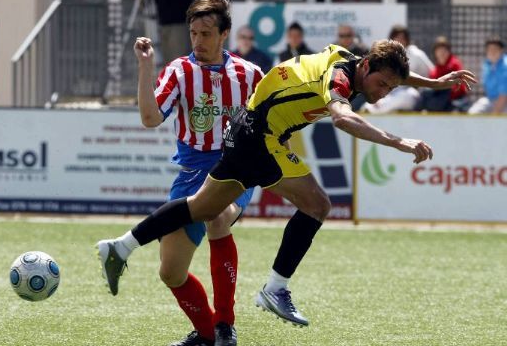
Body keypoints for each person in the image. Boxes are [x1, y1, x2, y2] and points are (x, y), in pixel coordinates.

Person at [97, 40, 475, 329]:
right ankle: (275, 288)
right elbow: (342, 119)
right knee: (318, 204)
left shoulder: (352, 59)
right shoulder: (340, 77)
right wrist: (399, 141)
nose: (382, 92)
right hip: (261, 137)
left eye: (390, 88)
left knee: (202, 208)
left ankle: (121, 246)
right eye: (381, 84)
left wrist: (435, 82)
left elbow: (392, 73)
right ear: (366, 66)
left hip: (246, 131)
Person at [97, 0, 262, 346]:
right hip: (190, 175)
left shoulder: (250, 75)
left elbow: (272, 124)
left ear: (225, 35)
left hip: (234, 172)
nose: (198, 41)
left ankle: (225, 324)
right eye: (193, 33)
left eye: (206, 34)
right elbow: (150, 118)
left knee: (217, 214)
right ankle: (205, 333)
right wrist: (145, 68)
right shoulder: (178, 71)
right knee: (170, 272)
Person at [362, 25, 435, 114]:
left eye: (402, 38)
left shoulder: (416, 54)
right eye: (396, 37)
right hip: (390, 93)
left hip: (413, 94)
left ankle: (375, 112)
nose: (399, 40)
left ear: (407, 39)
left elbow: (432, 72)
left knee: (407, 95)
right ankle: (372, 111)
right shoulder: (388, 55)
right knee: (368, 104)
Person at [416, 36, 469, 112]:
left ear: (448, 52)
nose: (442, 53)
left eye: (444, 50)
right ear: (435, 53)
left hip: (455, 100)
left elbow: (458, 87)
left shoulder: (455, 64)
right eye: (439, 50)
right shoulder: (435, 70)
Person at [468, 36, 507, 114]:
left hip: (505, 101)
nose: (492, 52)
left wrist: (494, 116)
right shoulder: (486, 64)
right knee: (472, 113)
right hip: (490, 99)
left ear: (501, 50)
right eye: (489, 49)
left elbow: (504, 95)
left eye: (495, 49)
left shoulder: (505, 66)